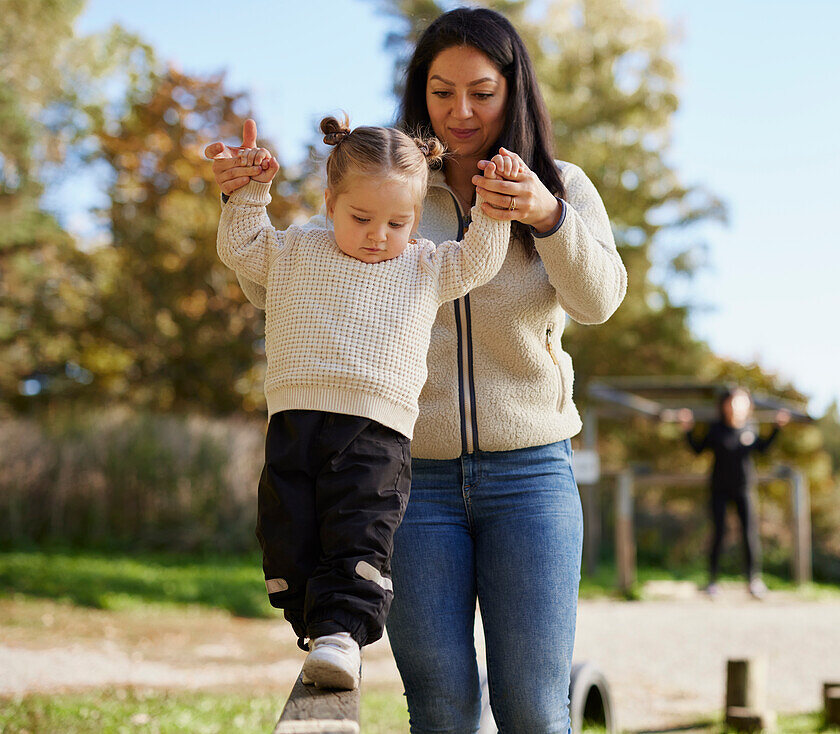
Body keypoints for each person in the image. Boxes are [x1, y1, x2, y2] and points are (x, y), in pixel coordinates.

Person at [207, 7, 626, 732]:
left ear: (513, 91)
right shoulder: (387, 183)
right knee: (439, 705)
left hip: (530, 477)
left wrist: (547, 215)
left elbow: (599, 301)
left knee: (534, 707)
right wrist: (240, 196)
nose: (460, 111)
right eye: (441, 91)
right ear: (419, 93)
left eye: (481, 91)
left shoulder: (564, 186)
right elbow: (279, 276)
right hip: (407, 478)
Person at [214, 115, 516, 690]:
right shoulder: (298, 246)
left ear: (417, 217)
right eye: (361, 217)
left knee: (360, 533)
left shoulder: (425, 263)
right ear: (330, 201)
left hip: (376, 434)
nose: (379, 234)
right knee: (287, 533)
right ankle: (314, 625)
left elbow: (478, 259)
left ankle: (342, 635)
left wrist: (494, 207)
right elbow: (241, 246)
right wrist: (247, 190)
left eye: (398, 221)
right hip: (294, 422)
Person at [677, 388, 790, 600]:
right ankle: (712, 581)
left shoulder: (750, 428)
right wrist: (687, 429)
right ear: (724, 405)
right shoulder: (716, 429)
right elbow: (697, 449)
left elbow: (763, 449)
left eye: (741, 402)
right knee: (718, 533)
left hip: (743, 488)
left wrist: (777, 428)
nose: (736, 406)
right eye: (732, 402)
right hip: (719, 488)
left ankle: (753, 580)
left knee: (749, 534)